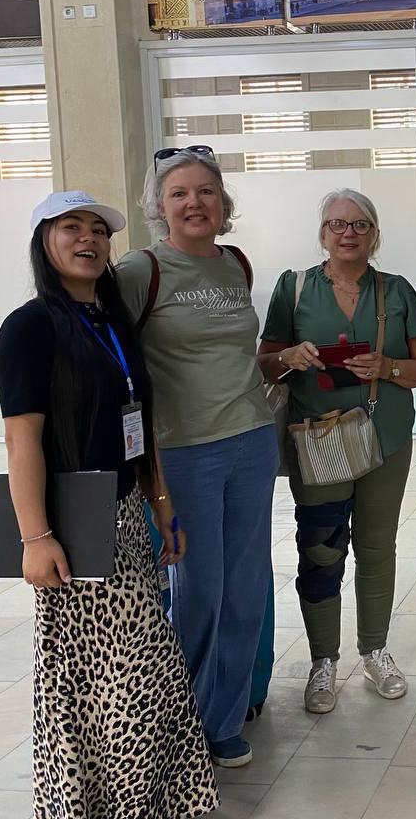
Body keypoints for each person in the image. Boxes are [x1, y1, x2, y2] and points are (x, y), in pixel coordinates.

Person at [0, 191, 218, 816]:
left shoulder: (111, 321)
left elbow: (139, 422)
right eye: (72, 227)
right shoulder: (28, 328)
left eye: (99, 230)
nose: (88, 239)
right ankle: (103, 803)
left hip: (123, 514)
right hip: (73, 521)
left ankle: (150, 798)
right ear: (44, 242)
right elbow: (21, 440)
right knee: (106, 679)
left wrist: (161, 504)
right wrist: (35, 539)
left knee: (140, 670)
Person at [117, 146, 278, 768]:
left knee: (246, 588)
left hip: (252, 441)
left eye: (206, 190)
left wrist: (280, 363)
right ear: (159, 206)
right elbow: (117, 361)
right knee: (199, 591)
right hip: (184, 452)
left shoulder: (236, 264)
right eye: (179, 193)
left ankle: (223, 721)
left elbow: (234, 356)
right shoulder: (140, 270)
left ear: (223, 201)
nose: (194, 202)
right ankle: (179, 725)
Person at [257, 189, 416, 711]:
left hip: (385, 438)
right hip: (318, 441)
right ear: (323, 233)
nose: (348, 233)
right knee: (321, 548)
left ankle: (375, 651)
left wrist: (388, 367)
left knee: (377, 547)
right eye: (337, 224)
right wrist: (288, 356)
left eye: (360, 225)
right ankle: (323, 661)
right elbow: (264, 363)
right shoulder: (293, 288)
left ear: (374, 235)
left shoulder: (396, 291)